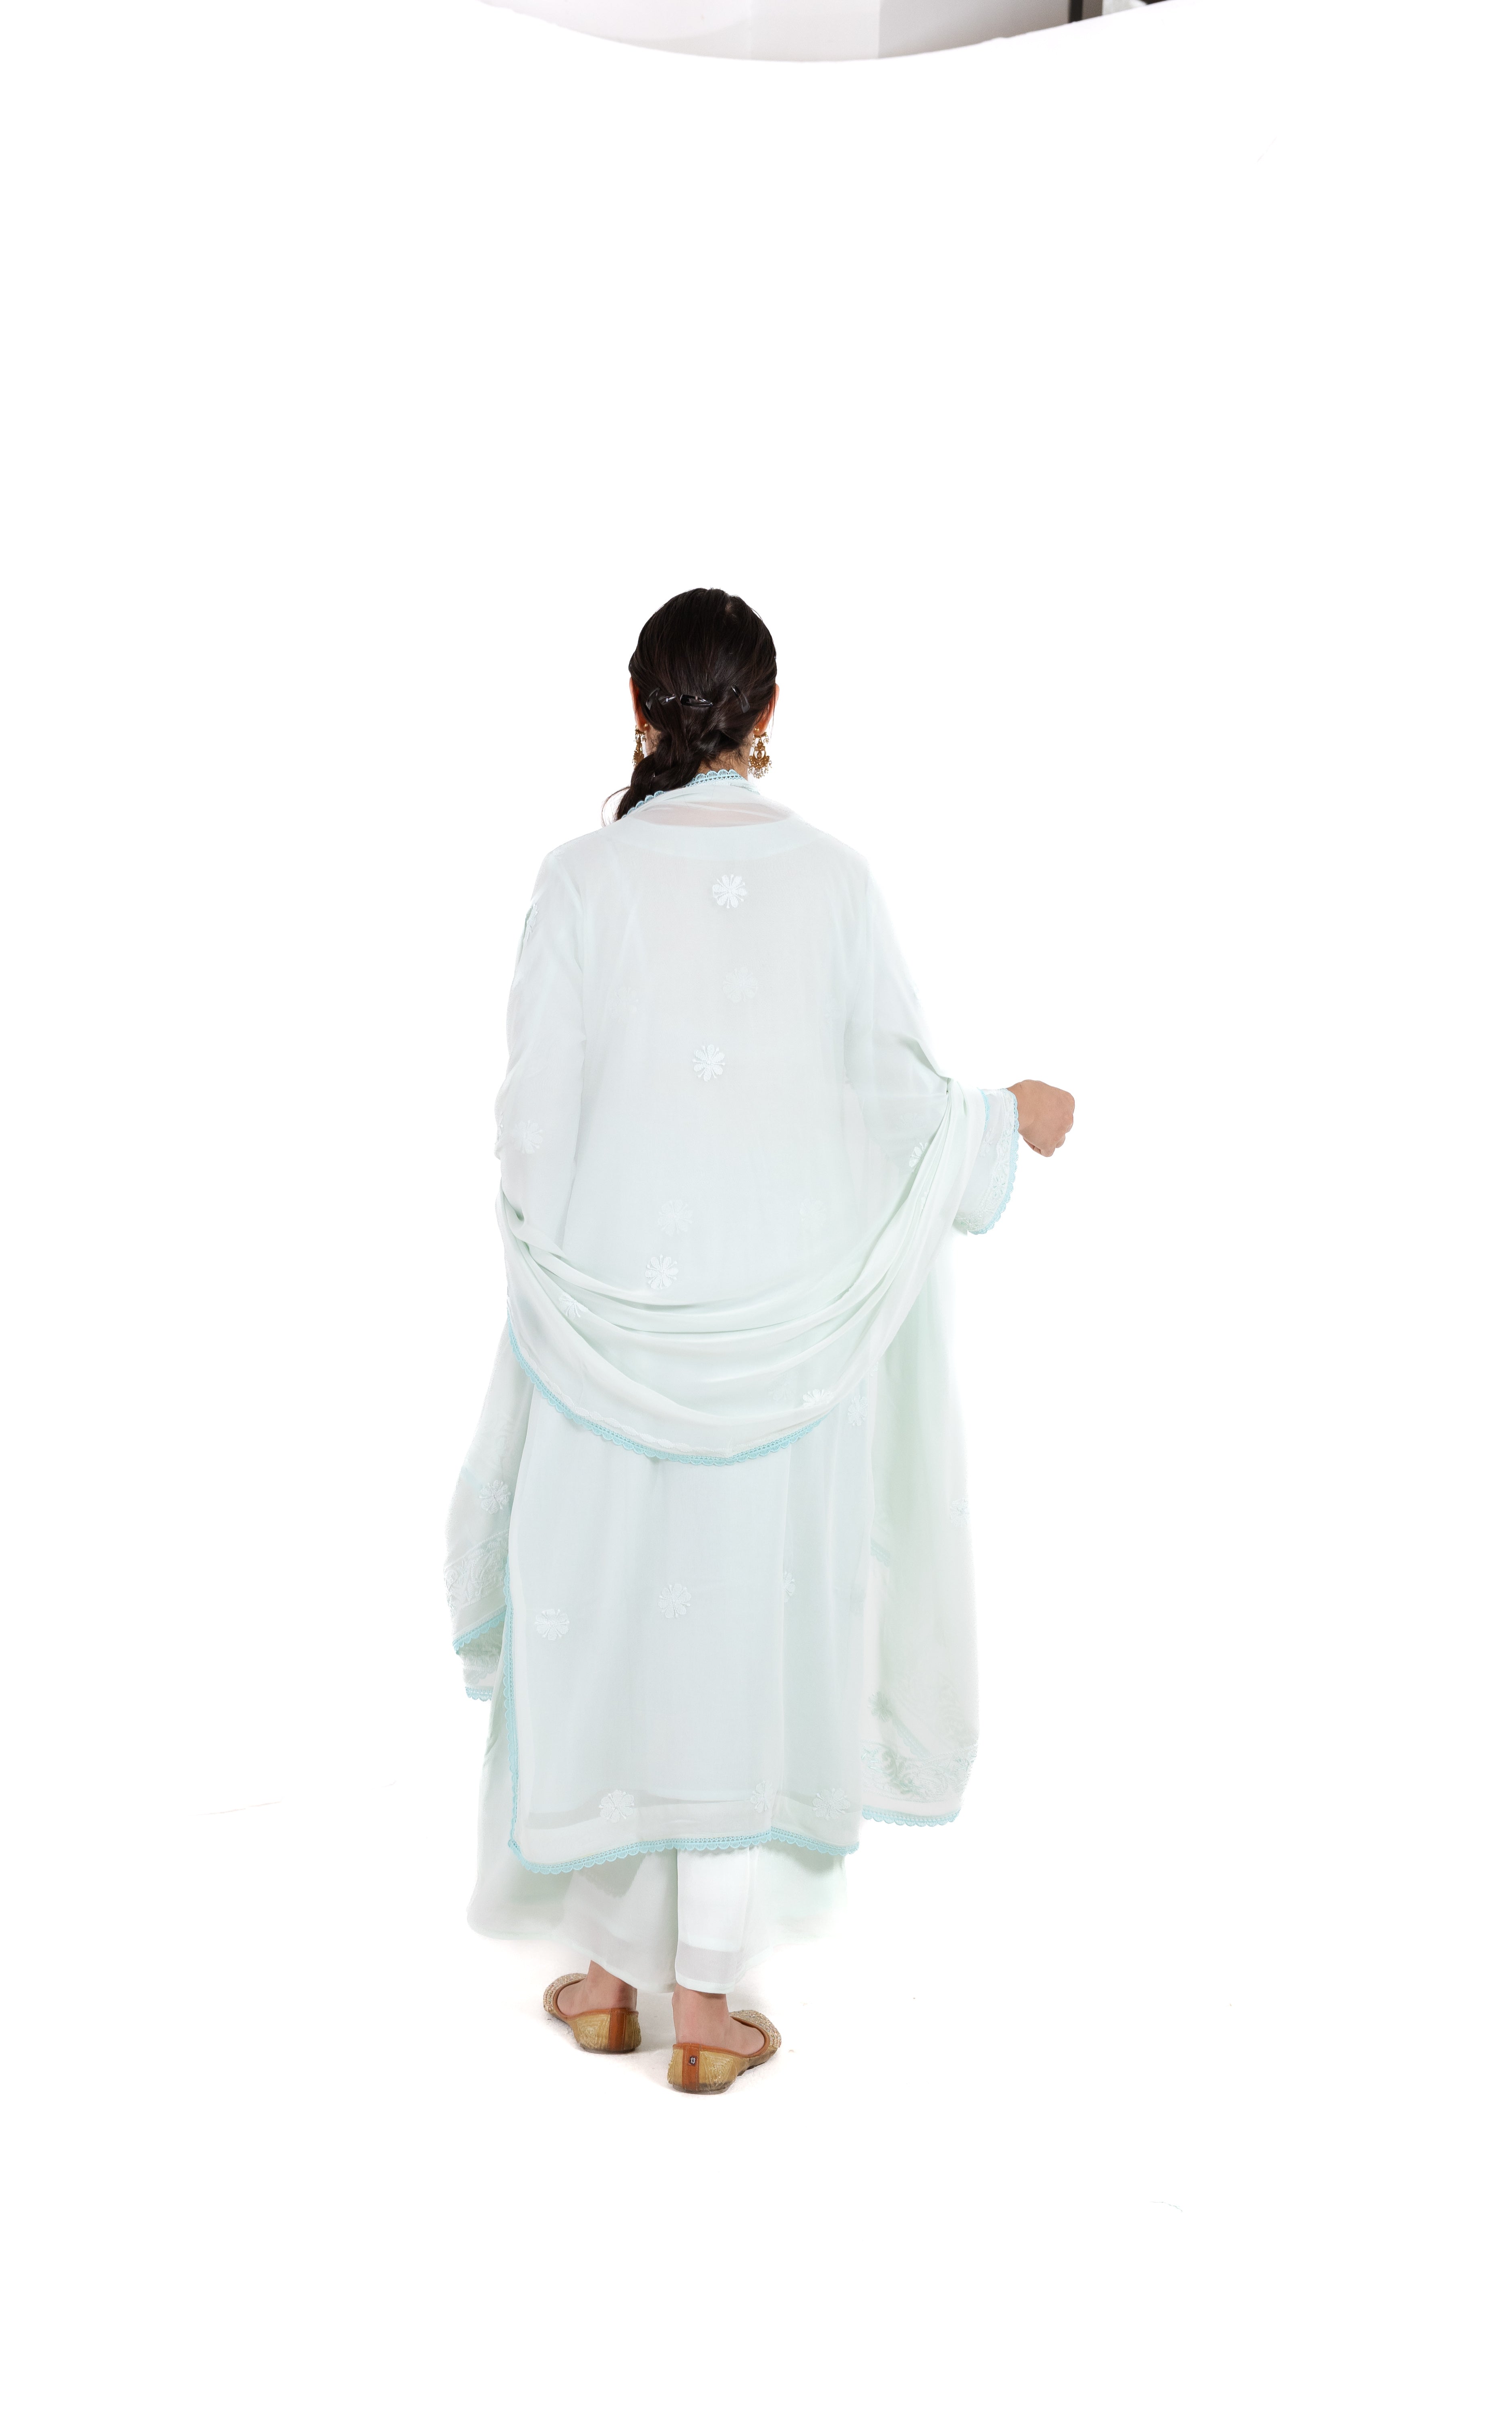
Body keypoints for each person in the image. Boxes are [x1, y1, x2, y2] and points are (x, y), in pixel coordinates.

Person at [446, 587, 1073, 2094]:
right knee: (738, 1627)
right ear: (770, 714)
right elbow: (893, 1103)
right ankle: (708, 2002)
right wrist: (1003, 1121)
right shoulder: (837, 883)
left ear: (639, 708)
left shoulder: (578, 880)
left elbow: (533, 1127)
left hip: (604, 1330)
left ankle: (608, 1979)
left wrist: (578, 1285)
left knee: (610, 1615)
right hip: (790, 1344)